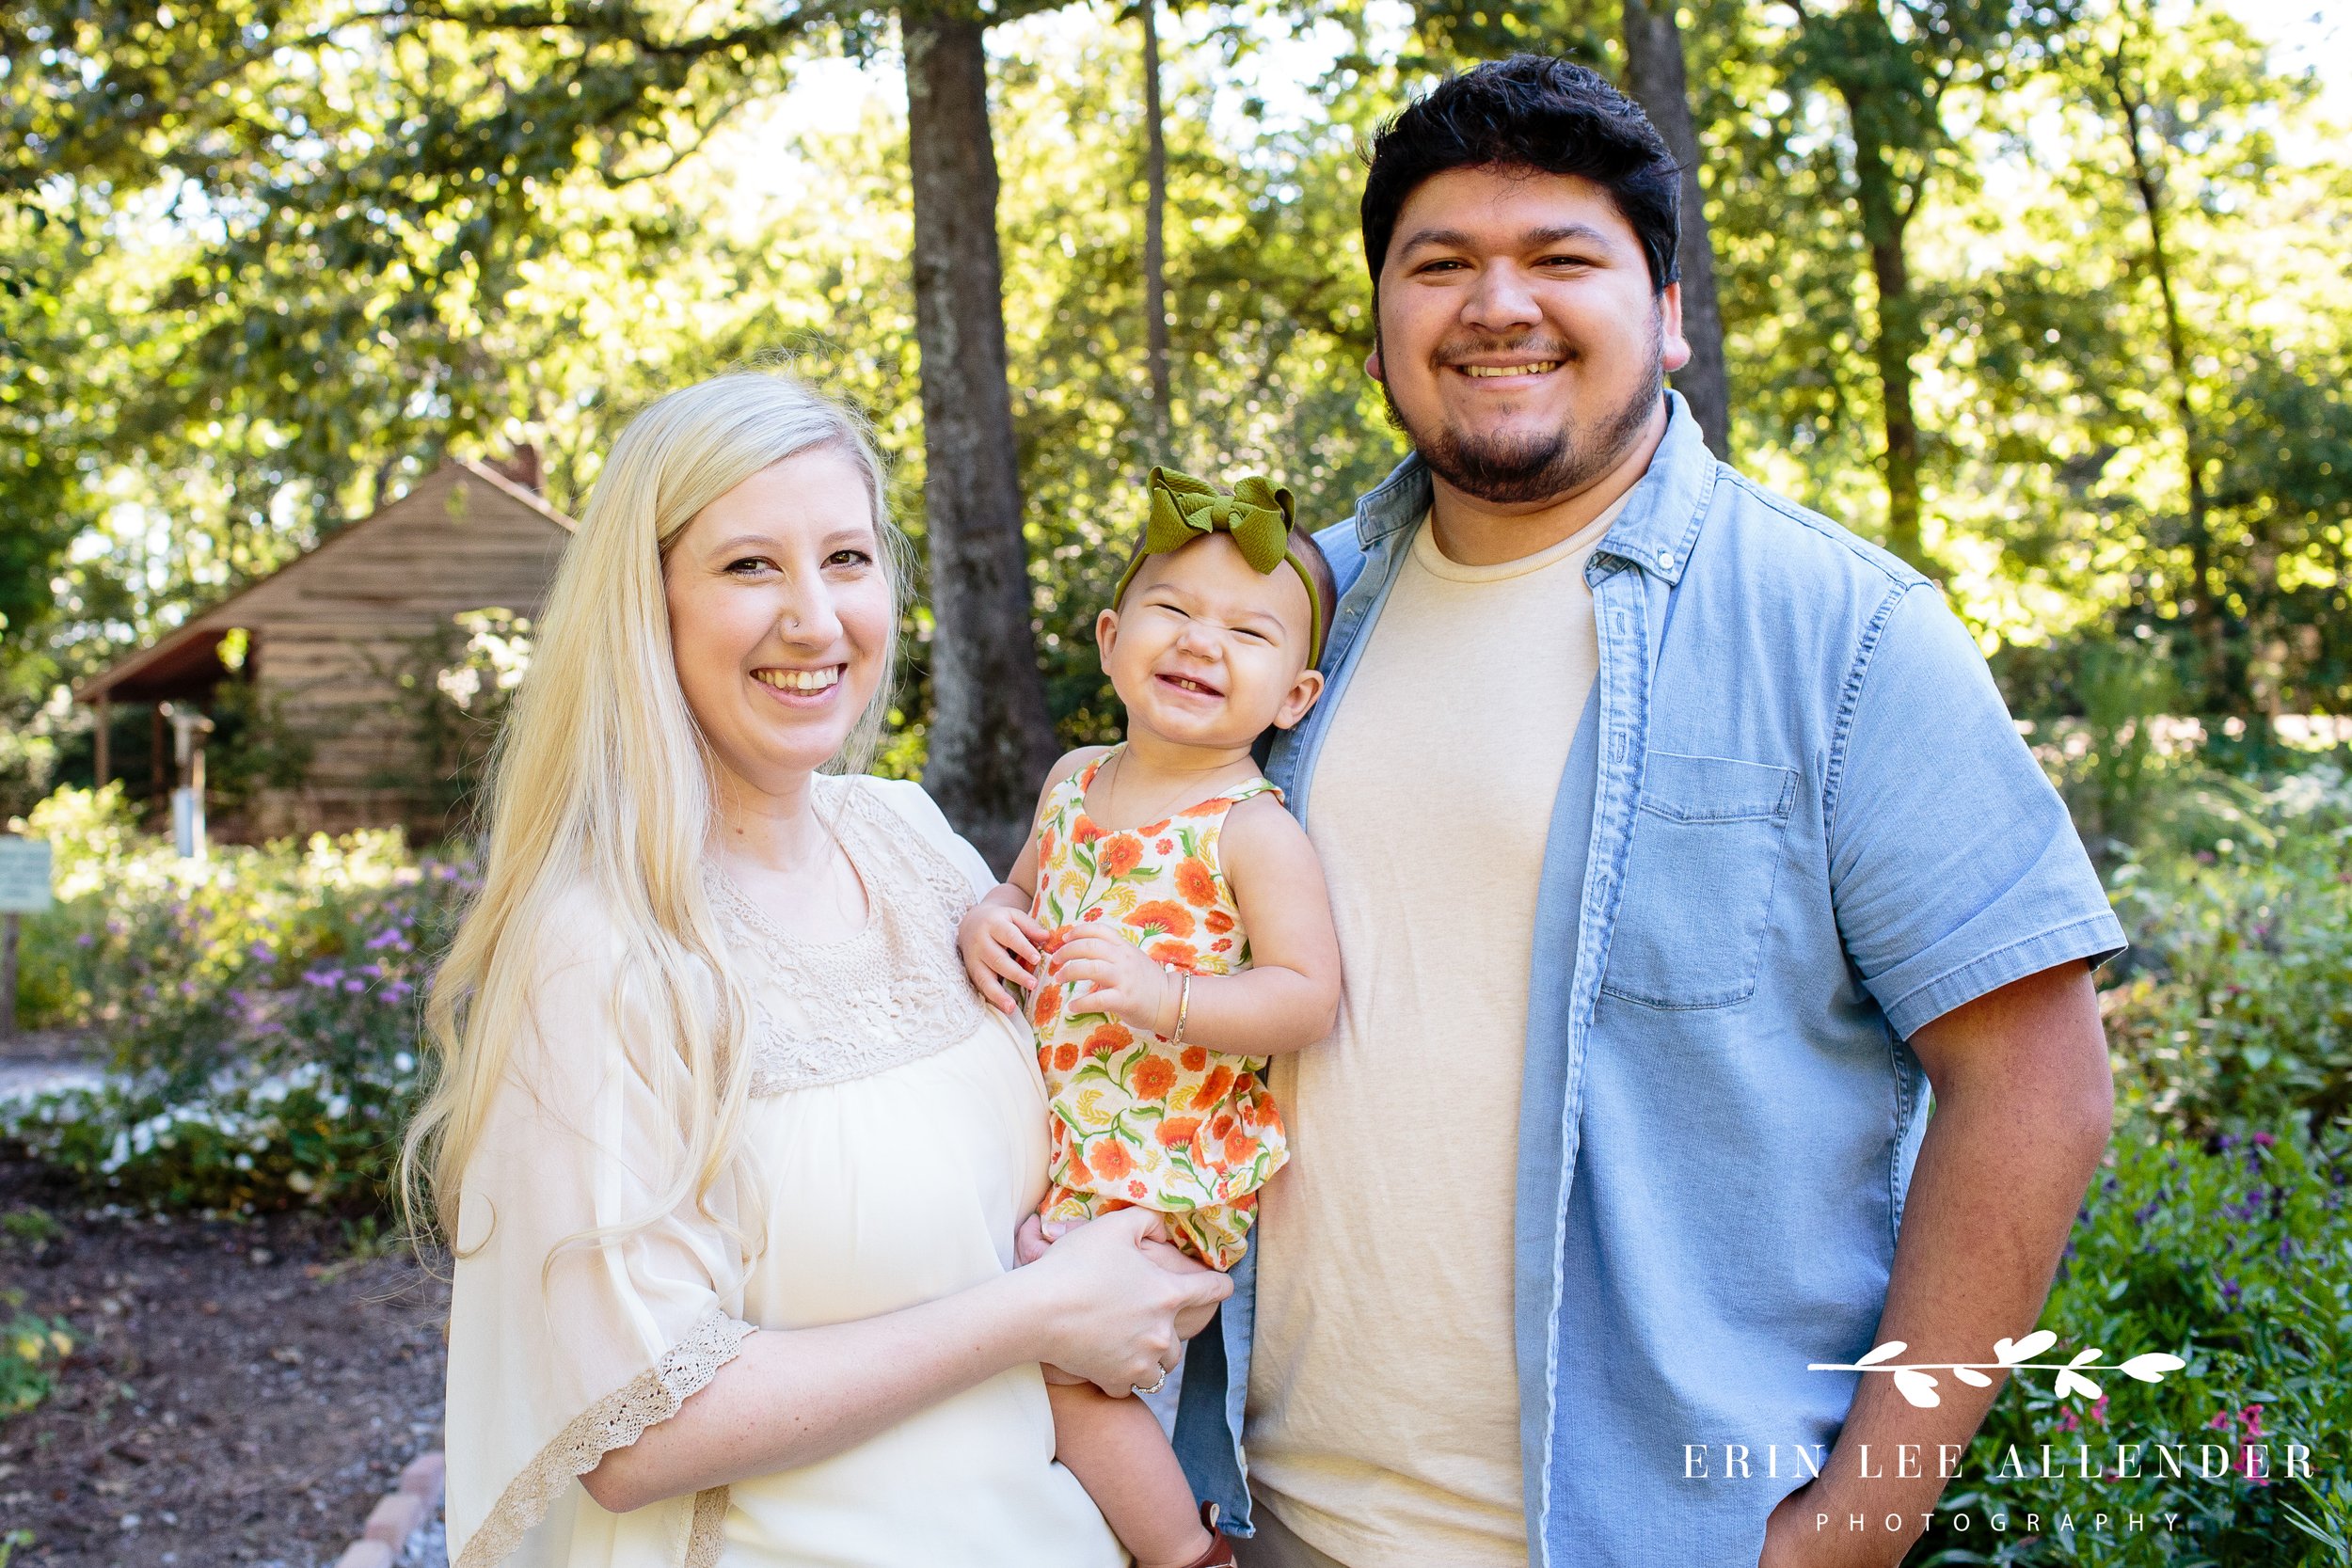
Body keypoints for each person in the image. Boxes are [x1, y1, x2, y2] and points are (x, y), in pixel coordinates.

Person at [1168, 55, 2124, 1568]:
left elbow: (2037, 1084)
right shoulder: (1288, 616)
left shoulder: (1842, 630)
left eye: (1562, 258)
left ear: (1667, 318)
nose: (1498, 304)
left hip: (1659, 1535)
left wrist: (1857, 1525)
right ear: (1378, 334)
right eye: (1442, 264)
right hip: (1273, 1515)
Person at [407, 371, 1231, 1568]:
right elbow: (637, 1427)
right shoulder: (599, 946)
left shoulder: (912, 839)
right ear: (649, 607)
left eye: (846, 559)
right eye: (749, 567)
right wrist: (1041, 1310)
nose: (814, 618)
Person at [960, 467, 1344, 1568]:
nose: (1201, 642)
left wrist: (1166, 994)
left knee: (1062, 1367)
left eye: (1247, 631)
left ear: (1294, 696)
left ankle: (1187, 1551)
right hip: (1051, 1144)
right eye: (1174, 610)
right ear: (1113, 634)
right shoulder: (1074, 780)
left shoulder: (1249, 830)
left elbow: (1306, 995)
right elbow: (1018, 890)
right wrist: (989, 916)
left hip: (1161, 1160)